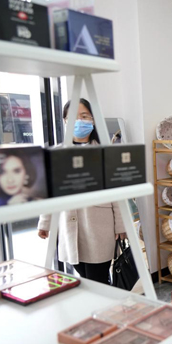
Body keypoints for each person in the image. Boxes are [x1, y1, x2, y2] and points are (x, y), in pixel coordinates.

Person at [38, 99, 126, 284]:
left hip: (99, 226)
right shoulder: (57, 153)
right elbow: (49, 192)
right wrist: (45, 223)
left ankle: (105, 301)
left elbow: (117, 193)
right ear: (65, 121)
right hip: (69, 227)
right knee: (84, 278)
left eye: (84, 116)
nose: (79, 121)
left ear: (93, 120)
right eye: (73, 117)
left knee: (98, 278)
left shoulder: (105, 151)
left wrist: (121, 225)